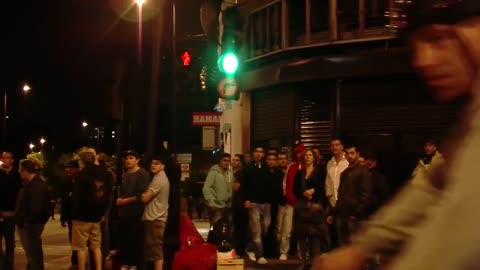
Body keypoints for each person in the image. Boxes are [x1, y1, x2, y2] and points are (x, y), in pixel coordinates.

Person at [313, 0, 480, 269]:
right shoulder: (470, 116)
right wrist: (362, 248)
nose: (422, 60)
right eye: (416, 47)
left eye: (438, 39)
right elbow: (431, 189)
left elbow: (465, 222)